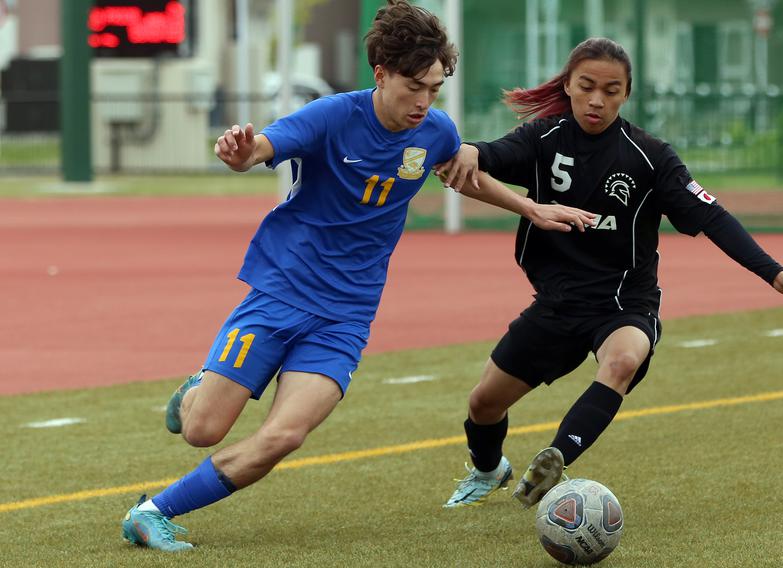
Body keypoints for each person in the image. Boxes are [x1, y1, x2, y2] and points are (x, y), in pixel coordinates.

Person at [119, 1, 595, 552]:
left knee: (286, 434)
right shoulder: (331, 117)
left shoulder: (436, 131)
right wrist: (243, 152)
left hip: (345, 318)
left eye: (435, 88)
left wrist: (531, 208)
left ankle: (152, 512)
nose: (424, 101)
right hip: (280, 293)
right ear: (381, 74)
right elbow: (263, 148)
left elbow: (464, 176)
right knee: (202, 431)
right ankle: (196, 392)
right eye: (414, 86)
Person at [437, 37, 783, 509]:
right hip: (556, 304)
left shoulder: (651, 158)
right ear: (569, 85)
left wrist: (774, 273)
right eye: (587, 86)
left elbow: (713, 216)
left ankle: (556, 457)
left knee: (623, 359)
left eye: (612, 90)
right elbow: (488, 155)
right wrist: (470, 149)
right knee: (483, 405)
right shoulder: (542, 139)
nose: (598, 100)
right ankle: (488, 469)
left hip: (623, 304)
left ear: (627, 93)